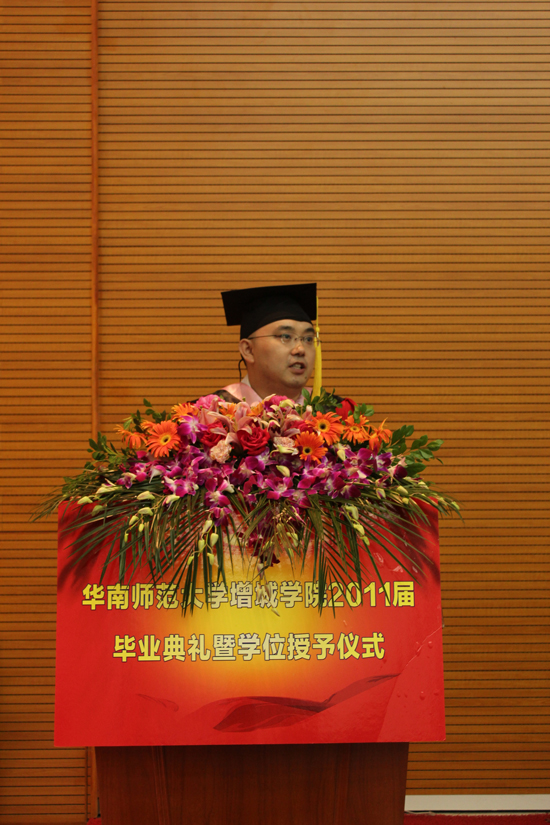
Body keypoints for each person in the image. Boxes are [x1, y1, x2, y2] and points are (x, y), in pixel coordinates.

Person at [215, 283, 321, 404]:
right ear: (248, 350)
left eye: (308, 339)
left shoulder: (333, 411)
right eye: (286, 336)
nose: (300, 349)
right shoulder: (210, 411)